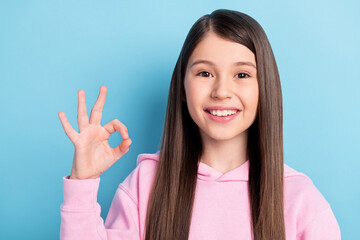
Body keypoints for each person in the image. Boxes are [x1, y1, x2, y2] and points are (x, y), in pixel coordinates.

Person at [58, 9, 341, 240]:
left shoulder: (300, 199)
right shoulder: (146, 184)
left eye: (242, 74)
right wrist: (82, 183)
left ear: (264, 88)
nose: (221, 91)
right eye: (205, 73)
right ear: (181, 88)